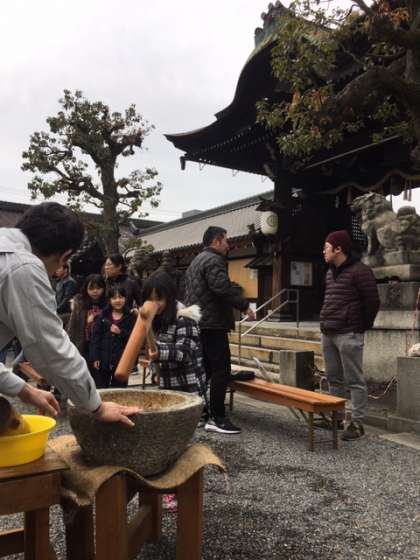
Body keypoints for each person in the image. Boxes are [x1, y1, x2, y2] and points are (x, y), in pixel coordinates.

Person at [0, 202, 138, 425]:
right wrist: (97, 406)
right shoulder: (23, 267)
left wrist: (24, 389)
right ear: (65, 256)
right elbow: (49, 349)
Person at [184, 226, 256, 435]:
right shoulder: (214, 260)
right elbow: (221, 287)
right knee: (221, 370)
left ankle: (200, 411)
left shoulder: (196, 261)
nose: (228, 245)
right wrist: (244, 305)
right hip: (213, 323)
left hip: (198, 322)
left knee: (205, 370)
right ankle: (217, 417)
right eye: (226, 240)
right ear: (216, 241)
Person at [320, 229, 380, 441]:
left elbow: (373, 301)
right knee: (333, 378)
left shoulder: (361, 271)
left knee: (354, 380)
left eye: (327, 247)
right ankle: (336, 417)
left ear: (338, 249)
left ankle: (357, 423)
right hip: (329, 332)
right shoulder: (329, 272)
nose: (323, 251)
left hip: (349, 332)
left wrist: (361, 326)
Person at [142, 271, 208, 403]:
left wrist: (158, 351)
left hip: (188, 389)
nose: (155, 304)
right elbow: (154, 355)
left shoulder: (185, 319)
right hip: (169, 387)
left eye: (159, 299)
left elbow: (184, 352)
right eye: (150, 299)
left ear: (169, 296)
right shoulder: (157, 320)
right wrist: (154, 372)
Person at [90, 286, 136, 388]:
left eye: (120, 297)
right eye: (114, 298)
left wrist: (120, 332)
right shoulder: (103, 316)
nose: (118, 300)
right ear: (109, 300)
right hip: (103, 359)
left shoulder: (130, 317)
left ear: (125, 299)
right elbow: (95, 338)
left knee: (120, 390)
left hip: (122, 361)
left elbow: (133, 339)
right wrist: (95, 357)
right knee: (101, 389)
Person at [67, 274, 107, 363]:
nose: (95, 291)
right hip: (84, 343)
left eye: (98, 288)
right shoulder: (80, 304)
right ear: (86, 289)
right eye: (91, 288)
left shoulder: (108, 304)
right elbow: (73, 326)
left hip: (102, 345)